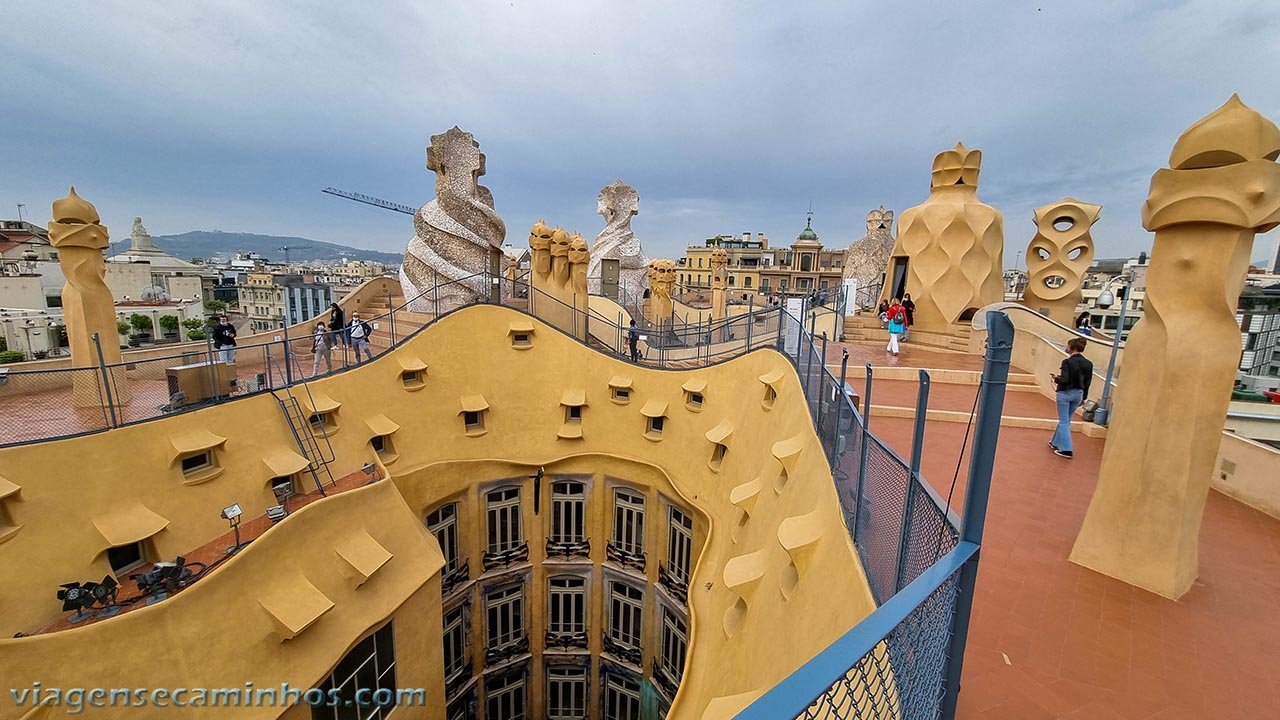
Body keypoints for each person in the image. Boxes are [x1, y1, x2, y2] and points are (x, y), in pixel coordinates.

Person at [1050, 338, 1094, 459]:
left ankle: (1066, 449)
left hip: (1065, 393)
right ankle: (1055, 442)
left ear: (1072, 348)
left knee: (1064, 421)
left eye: (1068, 346)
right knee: (1066, 419)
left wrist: (1056, 378)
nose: (1067, 348)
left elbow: (1065, 379)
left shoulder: (1067, 362)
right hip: (1078, 393)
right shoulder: (1088, 364)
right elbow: (1088, 382)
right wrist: (1084, 397)